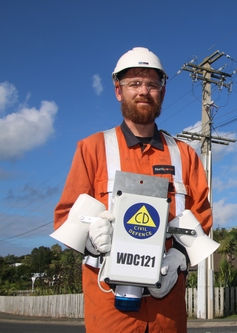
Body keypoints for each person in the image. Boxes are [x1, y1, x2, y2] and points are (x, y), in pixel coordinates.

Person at [54, 47, 212, 333]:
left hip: (169, 310)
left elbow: (201, 216)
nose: (143, 91)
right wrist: (90, 239)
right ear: (118, 90)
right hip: (109, 311)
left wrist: (178, 256)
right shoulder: (92, 149)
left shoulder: (185, 155)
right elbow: (66, 217)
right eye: (134, 84)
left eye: (152, 84)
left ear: (162, 93)